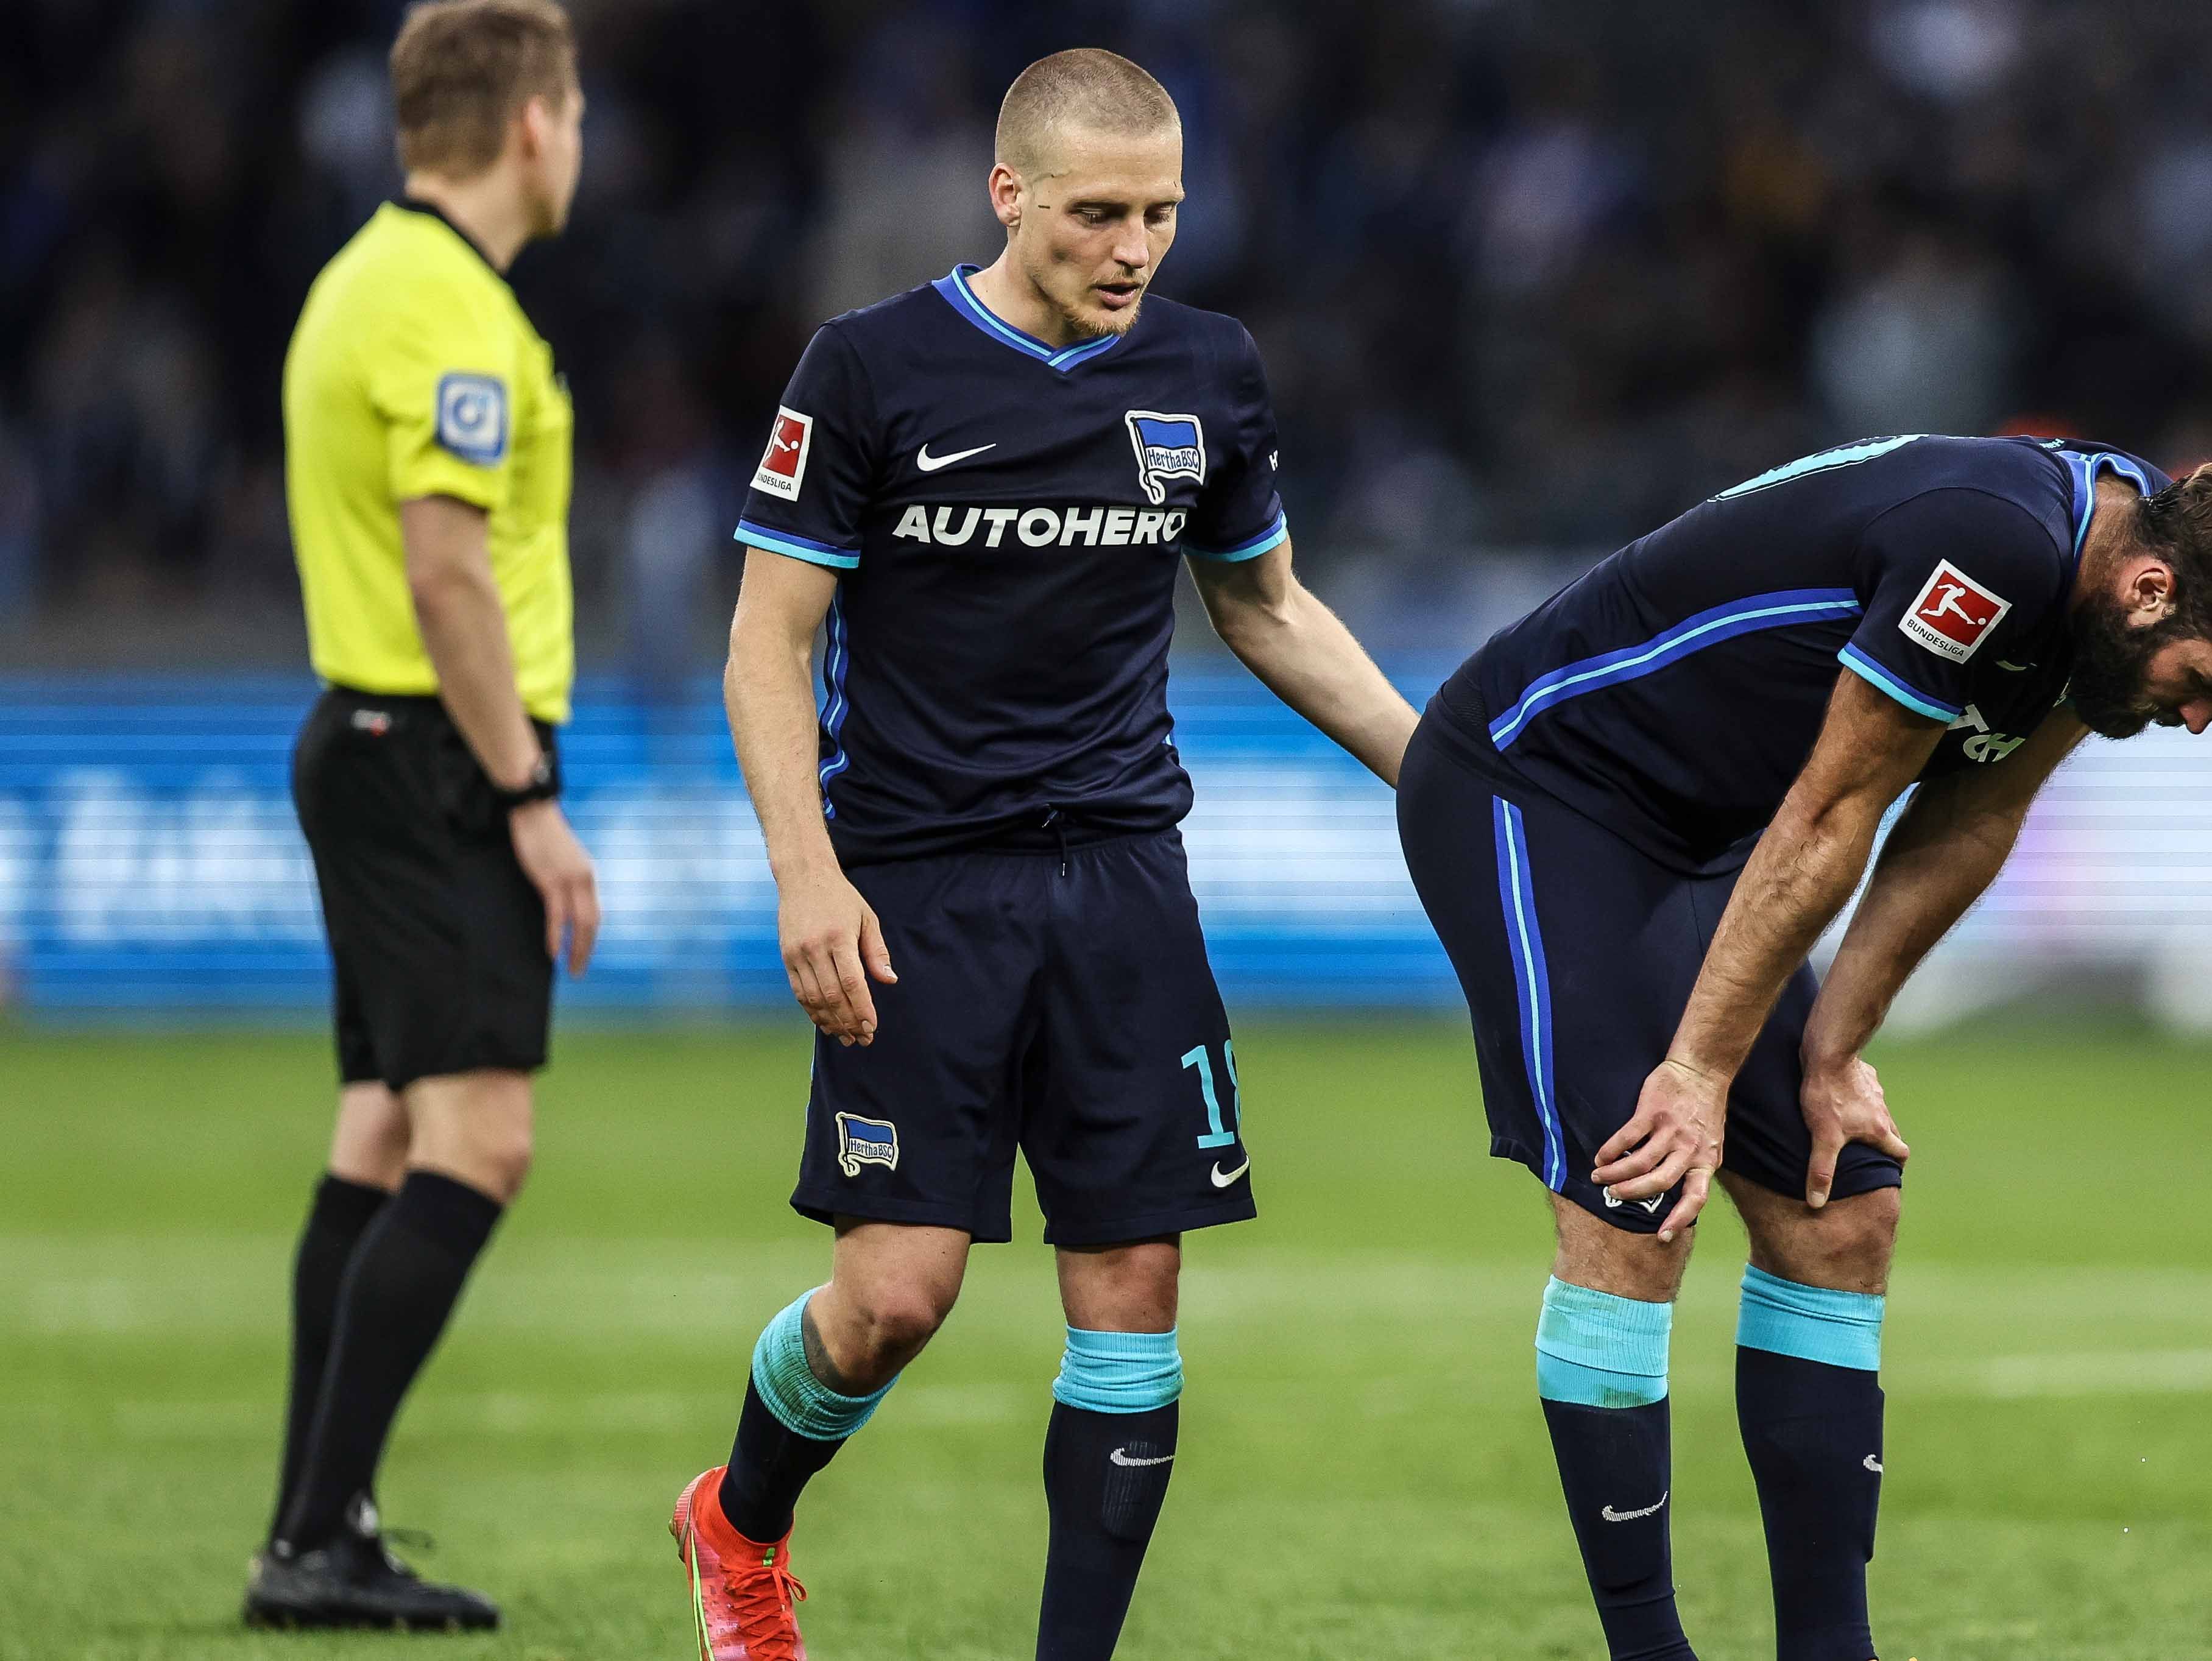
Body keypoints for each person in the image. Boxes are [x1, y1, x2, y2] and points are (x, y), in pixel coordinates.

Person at [1395, 436, 2212, 1660]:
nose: (2192, 720)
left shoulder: (2121, 568)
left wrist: (1832, 1045)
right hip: (1539, 781)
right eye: (2210, 685)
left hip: (1707, 839)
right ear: (2151, 593)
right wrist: (1698, 1074)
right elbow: (1834, 811)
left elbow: (1972, 813)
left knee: (1843, 1206)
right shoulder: (1992, 546)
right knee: (1638, 1189)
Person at [672, 48, 1417, 1661]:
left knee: (1134, 1292)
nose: (1133, 248)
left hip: (1124, 883)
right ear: (1009, 195)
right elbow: (765, 639)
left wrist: (1436, 775)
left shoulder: (1209, 372)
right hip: (915, 888)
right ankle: (738, 1522)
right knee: (895, 1300)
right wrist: (809, 873)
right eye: (1095, 214)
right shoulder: (869, 371)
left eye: (1158, 212)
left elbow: (1268, 609)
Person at [250, 0, 596, 1633]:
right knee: (481, 1139)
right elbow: (446, 566)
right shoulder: (450, 308)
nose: (581, 140)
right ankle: (317, 1537)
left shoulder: (359, 282)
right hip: (440, 758)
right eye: (578, 109)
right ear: (533, 122)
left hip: (373, 738)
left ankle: (320, 1529)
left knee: (383, 1133)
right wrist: (526, 796)